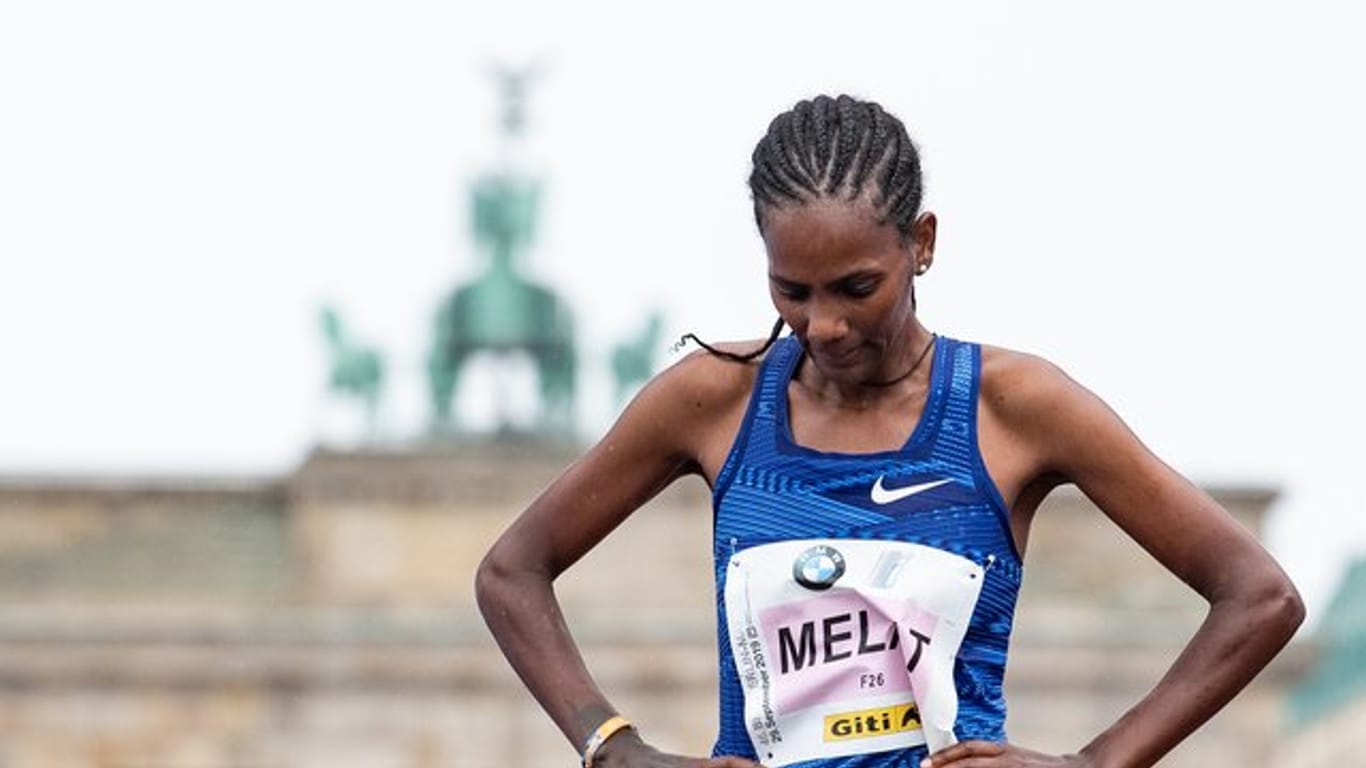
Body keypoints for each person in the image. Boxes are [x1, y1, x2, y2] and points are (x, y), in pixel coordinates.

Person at [475, 94, 1305, 768]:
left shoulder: (1011, 405)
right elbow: (512, 571)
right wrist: (613, 749)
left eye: (856, 286)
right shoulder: (716, 400)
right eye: (791, 290)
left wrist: (1093, 764)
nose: (823, 325)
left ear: (923, 244)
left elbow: (1259, 597)